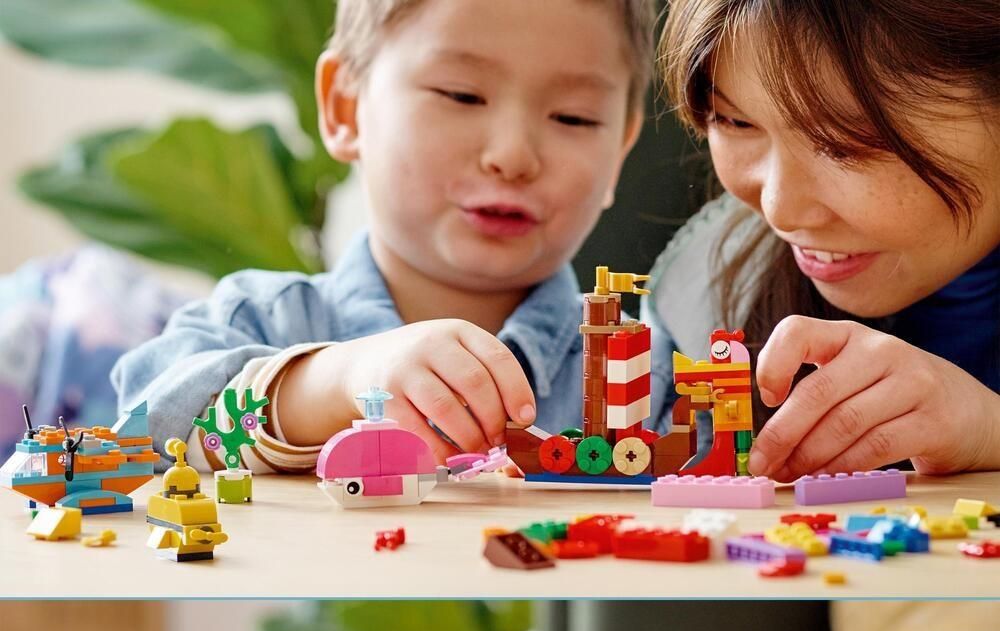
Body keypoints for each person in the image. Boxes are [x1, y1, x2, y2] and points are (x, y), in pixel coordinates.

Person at [112, 0, 656, 472]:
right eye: (461, 95)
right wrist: (333, 384)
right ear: (345, 107)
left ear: (620, 150)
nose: (512, 155)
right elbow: (144, 437)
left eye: (574, 118)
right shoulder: (261, 320)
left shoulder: (644, 378)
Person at [646, 0, 1000, 482]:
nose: (779, 211)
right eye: (734, 121)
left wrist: (989, 429)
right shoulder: (699, 295)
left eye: (845, 141)